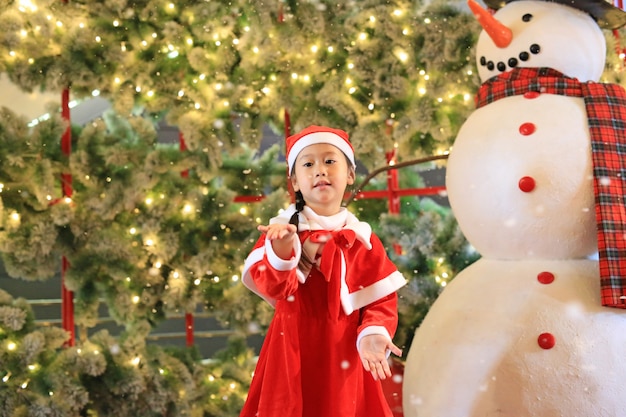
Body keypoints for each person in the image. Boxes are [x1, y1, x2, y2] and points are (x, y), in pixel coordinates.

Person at [240, 125, 407, 417]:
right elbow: (276, 288)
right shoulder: (283, 230)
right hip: (293, 346)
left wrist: (372, 334)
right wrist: (281, 252)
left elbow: (380, 301)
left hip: (346, 351)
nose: (320, 171)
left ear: (350, 174)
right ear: (294, 181)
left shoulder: (361, 239)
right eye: (308, 164)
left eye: (330, 161)